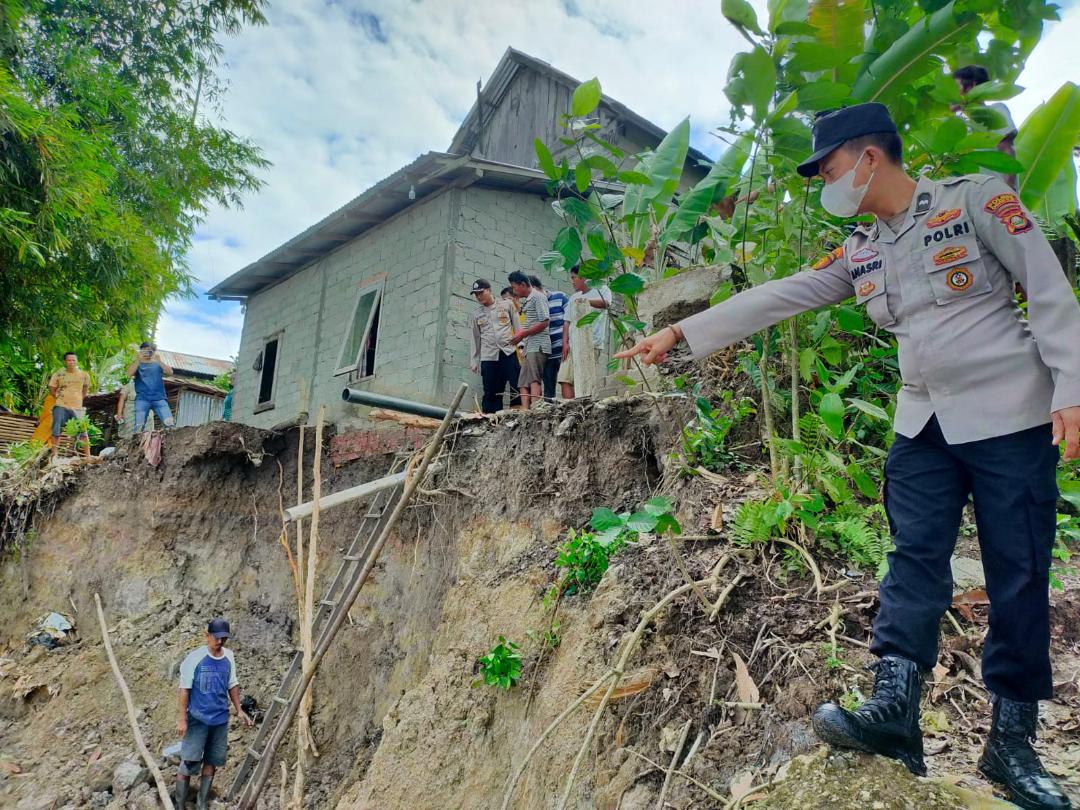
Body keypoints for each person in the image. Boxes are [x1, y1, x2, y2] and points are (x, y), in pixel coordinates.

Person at [617, 102, 1080, 810]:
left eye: (829, 169)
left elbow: (1048, 291)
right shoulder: (865, 248)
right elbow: (785, 294)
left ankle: (1012, 744)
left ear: (868, 158)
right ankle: (896, 711)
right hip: (922, 422)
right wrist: (683, 336)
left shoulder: (978, 198)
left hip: (1010, 416)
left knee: (1018, 574)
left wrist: (1072, 388)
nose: (826, 184)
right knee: (913, 558)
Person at [175, 617, 253, 809]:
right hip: (197, 718)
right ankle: (179, 804)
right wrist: (182, 719)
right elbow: (184, 689)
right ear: (207, 636)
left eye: (223, 638)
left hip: (219, 719)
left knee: (212, 761)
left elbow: (232, 684)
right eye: (216, 637)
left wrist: (239, 710)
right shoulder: (194, 658)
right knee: (189, 760)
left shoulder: (229, 656)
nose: (220, 642)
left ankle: (202, 804)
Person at [952, 65, 1018, 190]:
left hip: (997, 198)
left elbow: (1006, 150)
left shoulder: (995, 112)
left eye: (956, 87)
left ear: (972, 86)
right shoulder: (963, 126)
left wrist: (1009, 190)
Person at [557, 267, 611, 400]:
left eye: (574, 277)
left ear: (583, 277)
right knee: (564, 378)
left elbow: (606, 304)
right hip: (572, 345)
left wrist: (586, 302)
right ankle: (570, 409)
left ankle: (583, 409)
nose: (572, 281)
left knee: (585, 381)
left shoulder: (602, 289)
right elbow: (566, 322)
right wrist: (565, 343)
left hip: (591, 344)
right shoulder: (574, 297)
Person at [468, 278, 520, 414]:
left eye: (481, 292)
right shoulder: (476, 314)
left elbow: (517, 326)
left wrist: (521, 346)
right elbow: (475, 338)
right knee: (491, 390)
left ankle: (516, 414)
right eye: (476, 294)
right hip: (489, 356)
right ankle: (490, 419)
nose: (478, 296)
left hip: (508, 351)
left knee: (516, 385)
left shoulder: (507, 304)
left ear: (489, 290)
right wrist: (474, 360)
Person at [508, 270, 550, 410]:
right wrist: (519, 336)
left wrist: (523, 334)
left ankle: (536, 408)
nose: (514, 291)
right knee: (522, 381)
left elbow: (545, 322)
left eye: (514, 287)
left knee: (533, 378)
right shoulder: (528, 300)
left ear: (523, 284)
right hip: (528, 345)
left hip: (538, 344)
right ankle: (526, 411)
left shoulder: (538, 297)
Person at [530, 275, 568, 402]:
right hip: (548, 353)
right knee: (549, 391)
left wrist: (566, 343)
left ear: (534, 288)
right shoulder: (533, 304)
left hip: (565, 351)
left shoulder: (560, 297)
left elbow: (570, 320)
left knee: (567, 382)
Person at [47, 352, 91, 456]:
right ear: (65, 361)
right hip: (60, 405)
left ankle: (88, 456)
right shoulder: (58, 374)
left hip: (77, 407)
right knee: (56, 430)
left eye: (73, 360)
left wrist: (79, 398)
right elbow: (52, 388)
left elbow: (85, 389)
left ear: (76, 361)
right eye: (69, 360)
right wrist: (58, 397)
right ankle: (54, 455)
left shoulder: (84, 375)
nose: (71, 362)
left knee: (83, 431)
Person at [126, 342, 175, 433]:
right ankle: (138, 446)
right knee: (139, 428)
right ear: (141, 351)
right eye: (144, 350)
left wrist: (159, 361)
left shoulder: (157, 364)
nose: (147, 352)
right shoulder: (137, 364)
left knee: (169, 424)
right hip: (142, 399)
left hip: (159, 399)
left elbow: (170, 372)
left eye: (150, 350)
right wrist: (138, 360)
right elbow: (128, 374)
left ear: (154, 352)